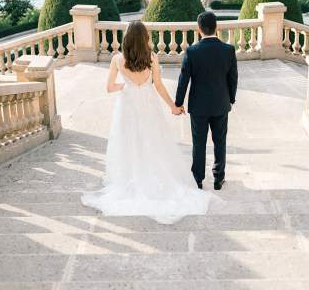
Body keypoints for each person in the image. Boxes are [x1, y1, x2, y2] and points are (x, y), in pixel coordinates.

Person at [81, 21, 216, 224]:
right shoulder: (152, 58)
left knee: (129, 142)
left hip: (127, 106)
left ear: (127, 38)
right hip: (148, 104)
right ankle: (154, 177)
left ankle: (132, 178)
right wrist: (173, 106)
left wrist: (125, 87)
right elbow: (159, 86)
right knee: (153, 141)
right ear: (145, 38)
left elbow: (109, 87)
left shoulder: (117, 59)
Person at [175, 11, 238, 190]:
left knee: (199, 142)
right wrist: (231, 99)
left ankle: (198, 179)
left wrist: (178, 103)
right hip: (221, 104)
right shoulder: (228, 50)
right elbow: (233, 78)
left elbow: (183, 80)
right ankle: (219, 178)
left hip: (199, 106)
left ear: (199, 29)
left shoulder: (192, 51)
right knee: (220, 142)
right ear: (216, 27)